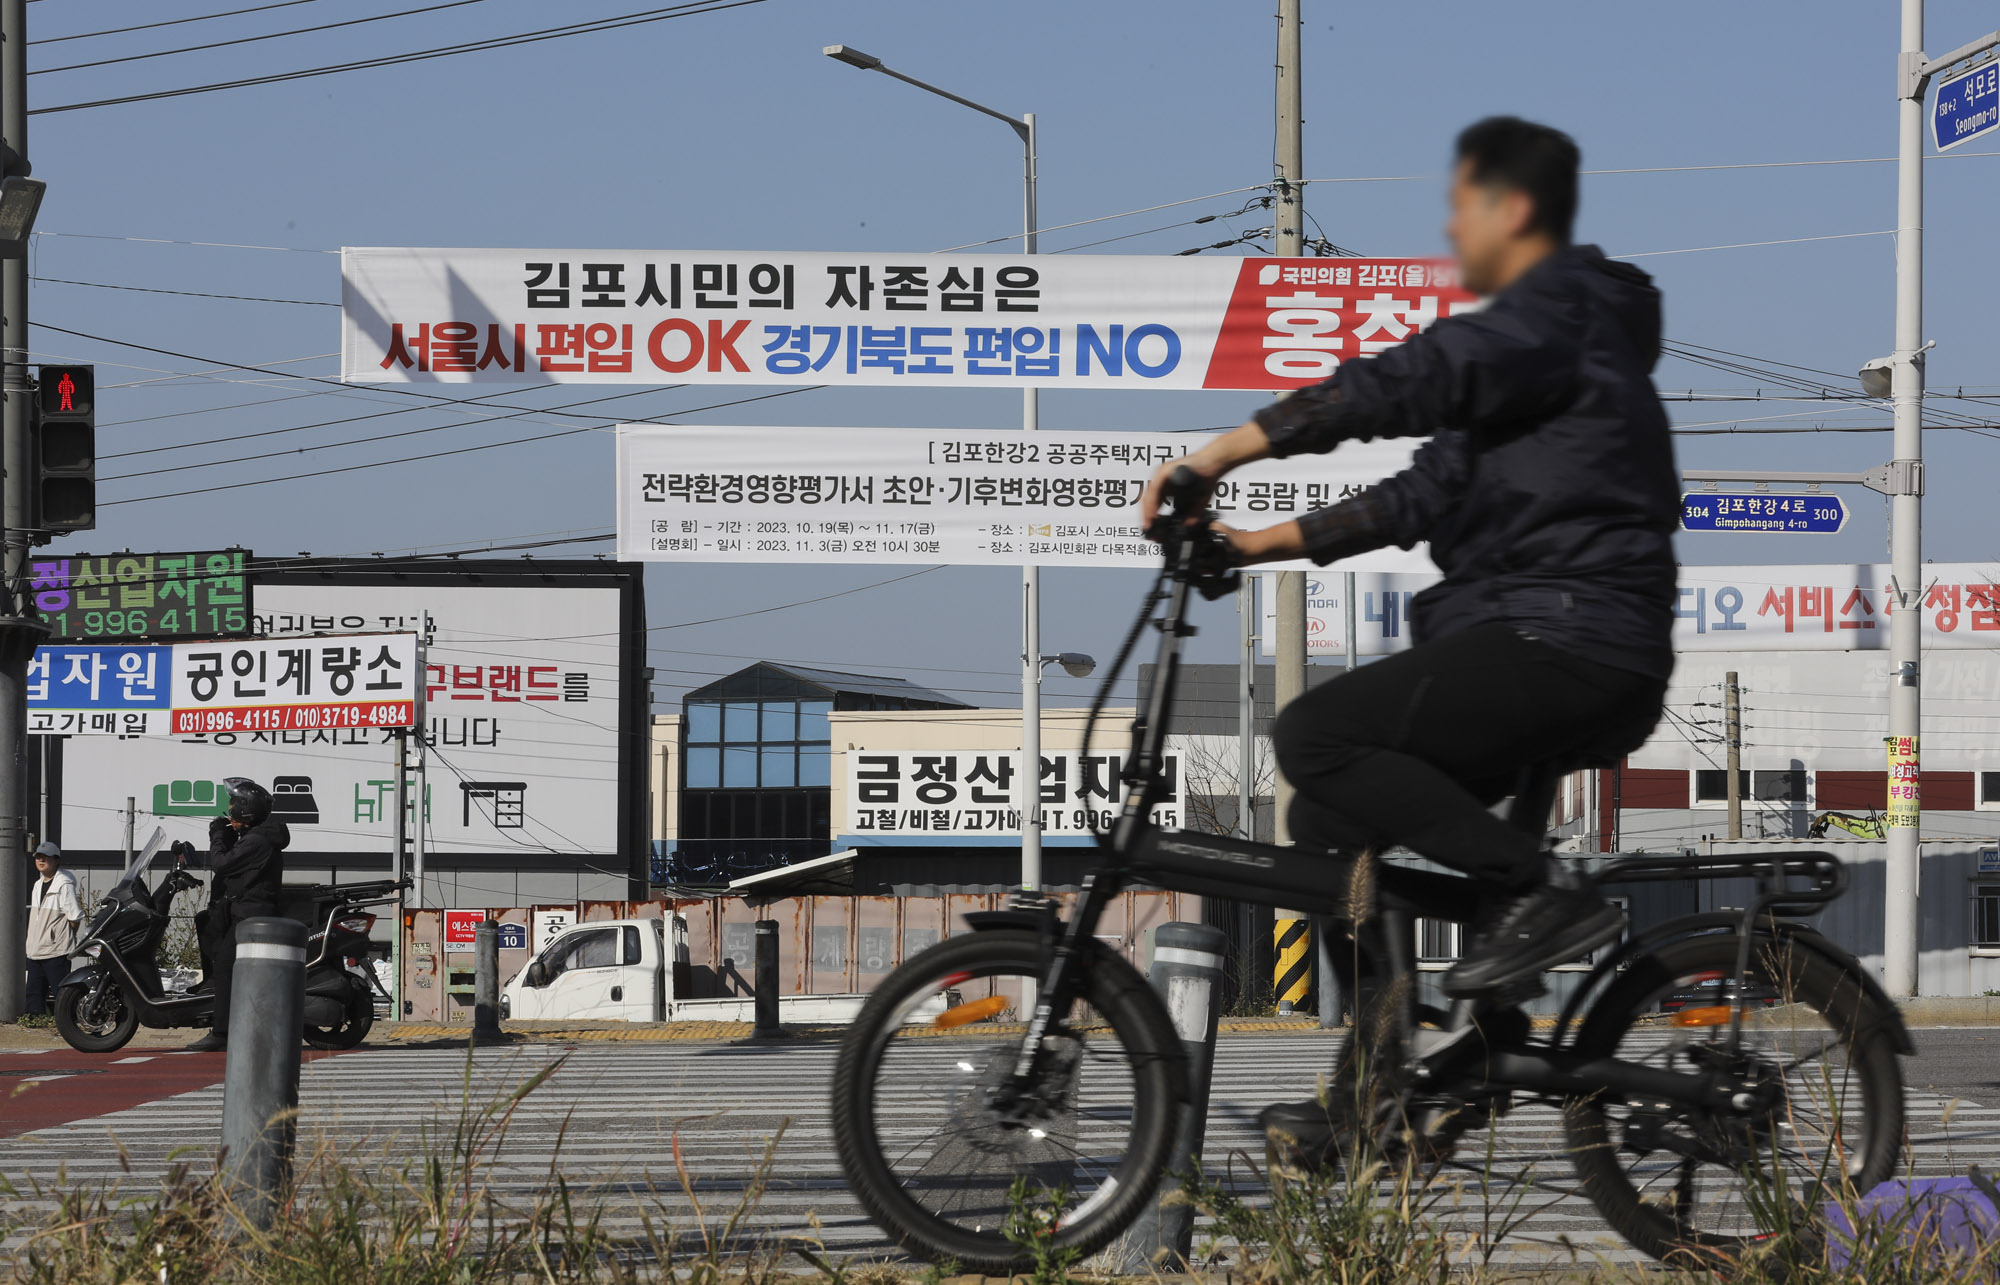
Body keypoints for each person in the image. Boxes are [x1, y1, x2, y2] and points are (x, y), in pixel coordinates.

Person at [1142, 119, 1675, 1008]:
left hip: (1567, 634)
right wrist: (1247, 546)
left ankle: (1540, 892)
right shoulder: (1538, 379)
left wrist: (1225, 451)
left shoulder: (1560, 313)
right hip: (1549, 636)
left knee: (1316, 734)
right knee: (1325, 822)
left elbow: (1417, 373)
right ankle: (1386, 1075)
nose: (1450, 230)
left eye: (1462, 207)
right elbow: (1411, 500)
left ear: (1516, 211)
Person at [184, 778, 289, 1052]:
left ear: (245, 810)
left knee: (225, 968)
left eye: (232, 808)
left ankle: (222, 1033)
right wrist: (227, 835)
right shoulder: (257, 837)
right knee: (214, 944)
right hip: (243, 910)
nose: (228, 813)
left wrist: (217, 835)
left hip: (251, 914)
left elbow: (222, 864)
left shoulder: (258, 840)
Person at [25, 841, 81, 1015]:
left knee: (62, 994)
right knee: (33, 993)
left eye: (46, 857)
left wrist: (60, 937)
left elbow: (75, 917)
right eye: (38, 857)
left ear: (56, 860)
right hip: (35, 950)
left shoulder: (64, 884)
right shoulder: (37, 884)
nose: (40, 860)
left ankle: (69, 1024)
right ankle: (35, 1024)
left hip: (56, 951)